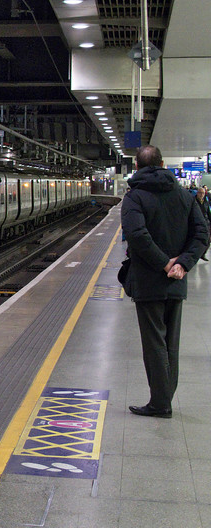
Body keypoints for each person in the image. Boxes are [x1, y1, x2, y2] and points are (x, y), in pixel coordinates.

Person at [121, 145, 209, 418]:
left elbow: (136, 235)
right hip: (176, 282)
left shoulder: (135, 197)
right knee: (171, 342)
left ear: (137, 167)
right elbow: (202, 233)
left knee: (154, 344)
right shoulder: (184, 195)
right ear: (162, 163)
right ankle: (164, 398)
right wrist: (182, 263)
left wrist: (164, 263)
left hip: (149, 282)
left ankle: (160, 403)